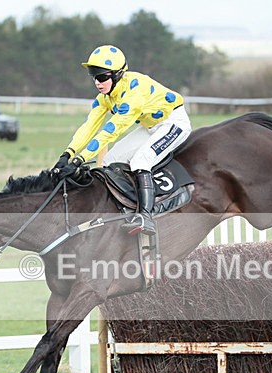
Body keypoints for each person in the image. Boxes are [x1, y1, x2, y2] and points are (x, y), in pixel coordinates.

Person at [54, 44, 192, 236]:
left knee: (140, 161)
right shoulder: (105, 97)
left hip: (174, 123)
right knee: (110, 159)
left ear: (118, 74)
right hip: (150, 127)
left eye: (102, 77)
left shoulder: (134, 93)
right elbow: (88, 127)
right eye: (94, 76)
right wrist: (67, 154)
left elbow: (110, 131)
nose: (97, 82)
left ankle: (146, 217)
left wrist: (80, 160)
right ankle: (124, 208)